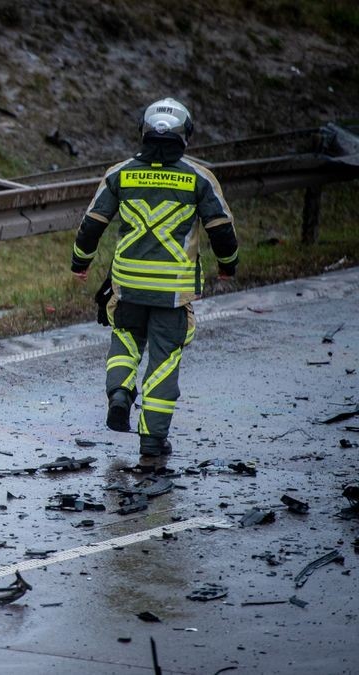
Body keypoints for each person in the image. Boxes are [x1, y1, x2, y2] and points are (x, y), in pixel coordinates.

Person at [71, 98, 239, 457]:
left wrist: (80, 263)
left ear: (143, 132)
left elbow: (91, 225)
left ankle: (119, 392)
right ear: (186, 136)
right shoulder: (199, 178)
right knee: (164, 360)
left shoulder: (120, 173)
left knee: (125, 339)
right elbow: (222, 231)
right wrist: (228, 266)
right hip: (172, 291)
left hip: (128, 284)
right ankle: (152, 440)